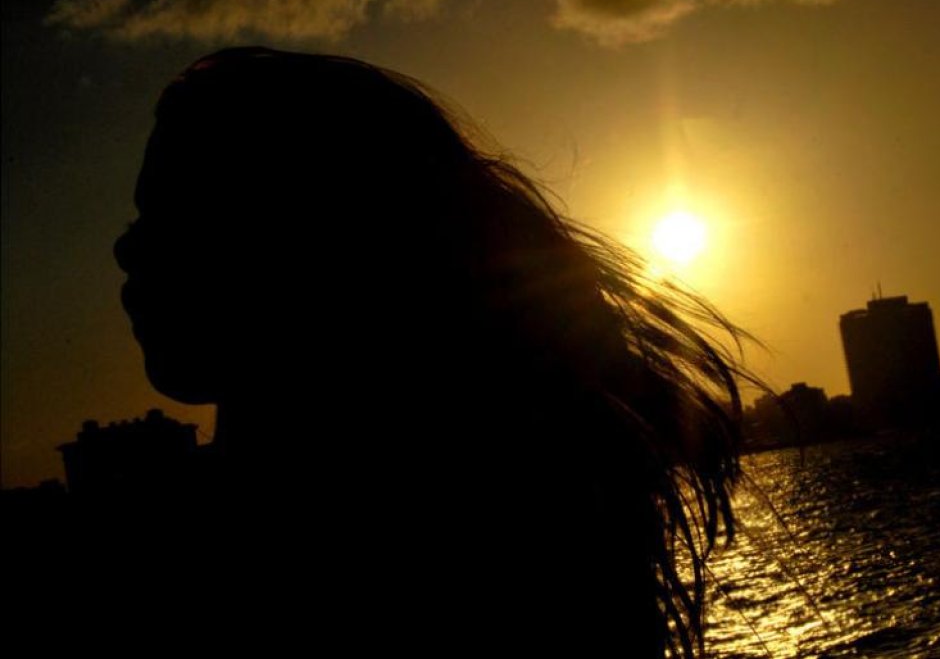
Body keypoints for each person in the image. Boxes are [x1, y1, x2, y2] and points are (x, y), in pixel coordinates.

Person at [113, 47, 757, 658]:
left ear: (316, 237)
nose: (127, 248)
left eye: (178, 212)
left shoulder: (444, 550)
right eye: (140, 216)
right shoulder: (519, 523)